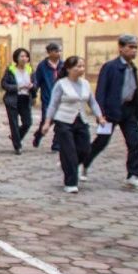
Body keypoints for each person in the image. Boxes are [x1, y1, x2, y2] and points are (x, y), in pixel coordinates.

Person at [87, 34, 138, 190]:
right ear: (121, 48)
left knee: (135, 143)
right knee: (101, 142)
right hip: (110, 111)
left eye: (136, 47)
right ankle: (82, 163)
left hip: (128, 111)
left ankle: (133, 175)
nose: (134, 51)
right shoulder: (110, 67)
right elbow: (101, 90)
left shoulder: (132, 68)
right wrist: (99, 113)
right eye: (130, 47)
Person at [42, 55, 100, 194]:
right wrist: (47, 122)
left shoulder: (85, 83)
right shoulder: (61, 84)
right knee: (69, 152)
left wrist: (99, 115)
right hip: (64, 121)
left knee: (85, 149)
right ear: (68, 69)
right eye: (78, 66)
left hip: (81, 120)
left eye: (82, 66)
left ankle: (68, 164)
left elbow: (92, 101)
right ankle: (70, 182)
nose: (81, 69)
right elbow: (53, 104)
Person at [0, 47, 34, 153]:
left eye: (26, 56)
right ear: (16, 58)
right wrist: (17, 87)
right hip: (13, 99)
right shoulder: (11, 70)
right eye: (21, 56)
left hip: (25, 98)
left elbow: (35, 82)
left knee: (28, 122)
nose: (24, 58)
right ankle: (17, 146)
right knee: (14, 123)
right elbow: (4, 84)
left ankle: (15, 137)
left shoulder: (30, 69)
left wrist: (32, 86)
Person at [30, 43, 61, 149]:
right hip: (48, 97)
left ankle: (56, 143)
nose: (58, 53)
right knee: (46, 120)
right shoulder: (42, 66)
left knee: (60, 121)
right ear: (49, 52)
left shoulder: (63, 64)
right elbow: (37, 81)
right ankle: (39, 135)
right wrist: (34, 92)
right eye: (56, 51)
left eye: (59, 51)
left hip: (61, 98)